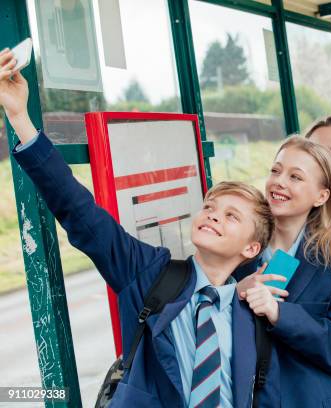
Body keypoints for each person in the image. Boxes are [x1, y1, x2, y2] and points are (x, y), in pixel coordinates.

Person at [0, 49, 281, 408]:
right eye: (210, 206)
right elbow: (78, 209)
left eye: (231, 216)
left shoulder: (253, 320)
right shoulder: (150, 274)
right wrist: (20, 116)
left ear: (251, 249)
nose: (213, 215)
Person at [234, 136, 331, 407]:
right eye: (276, 170)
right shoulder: (240, 249)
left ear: (321, 196)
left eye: (296, 177)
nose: (279, 181)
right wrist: (234, 294)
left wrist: (279, 313)